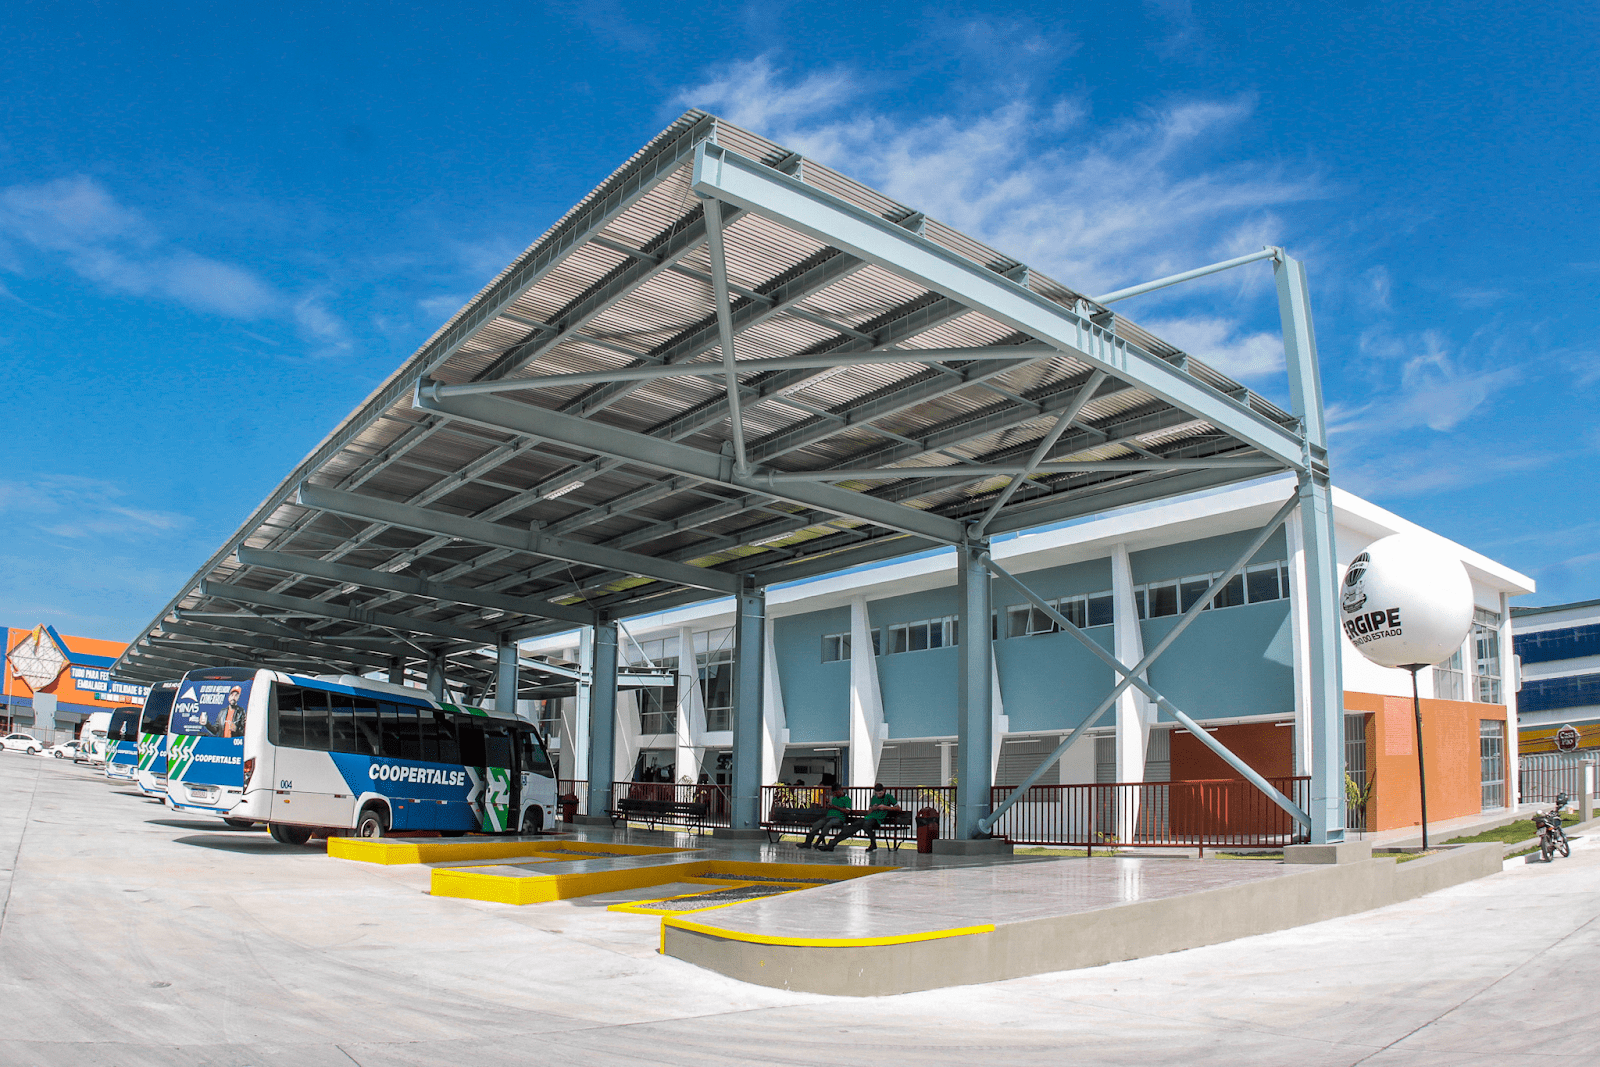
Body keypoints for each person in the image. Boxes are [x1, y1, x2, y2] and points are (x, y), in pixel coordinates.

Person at [821, 782, 901, 853]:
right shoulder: (874, 798)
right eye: (877, 794)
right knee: (850, 828)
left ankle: (873, 843)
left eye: (880, 793)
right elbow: (869, 812)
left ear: (884, 791)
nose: (879, 795)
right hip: (869, 818)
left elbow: (898, 808)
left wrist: (886, 807)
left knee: (866, 825)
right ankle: (832, 843)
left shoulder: (889, 797)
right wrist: (873, 808)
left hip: (878, 820)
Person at [799, 785, 851, 849]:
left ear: (840, 790)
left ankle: (817, 842)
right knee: (816, 824)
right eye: (834, 793)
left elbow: (847, 811)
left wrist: (836, 807)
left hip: (839, 818)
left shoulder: (847, 799)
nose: (834, 794)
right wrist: (829, 806)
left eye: (836, 793)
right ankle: (808, 842)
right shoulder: (834, 799)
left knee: (828, 825)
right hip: (829, 817)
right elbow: (832, 807)